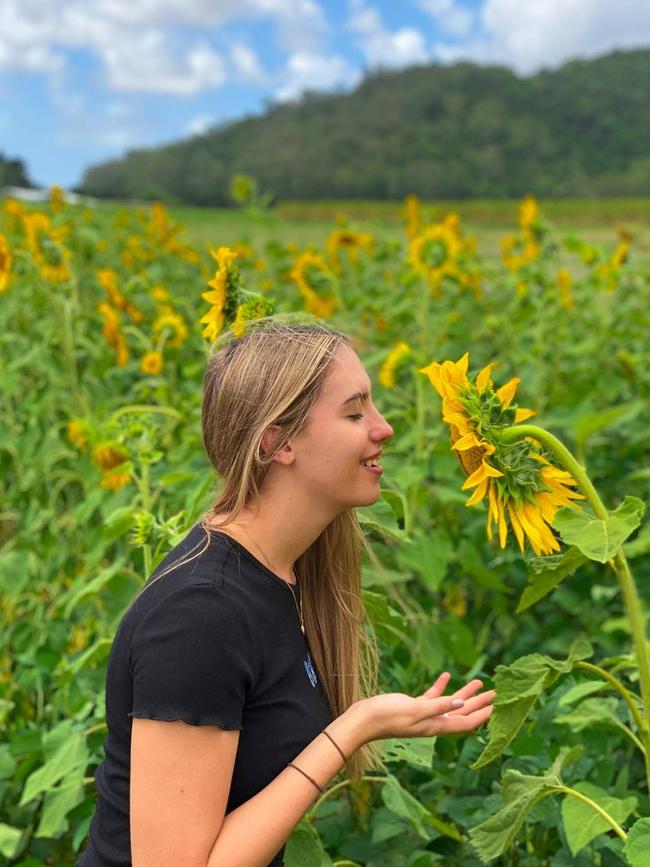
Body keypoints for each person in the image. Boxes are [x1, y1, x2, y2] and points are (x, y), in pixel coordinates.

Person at [77, 320, 495, 867]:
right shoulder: (201, 616)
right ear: (278, 442)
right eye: (354, 412)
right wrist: (354, 728)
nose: (384, 428)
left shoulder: (287, 573)